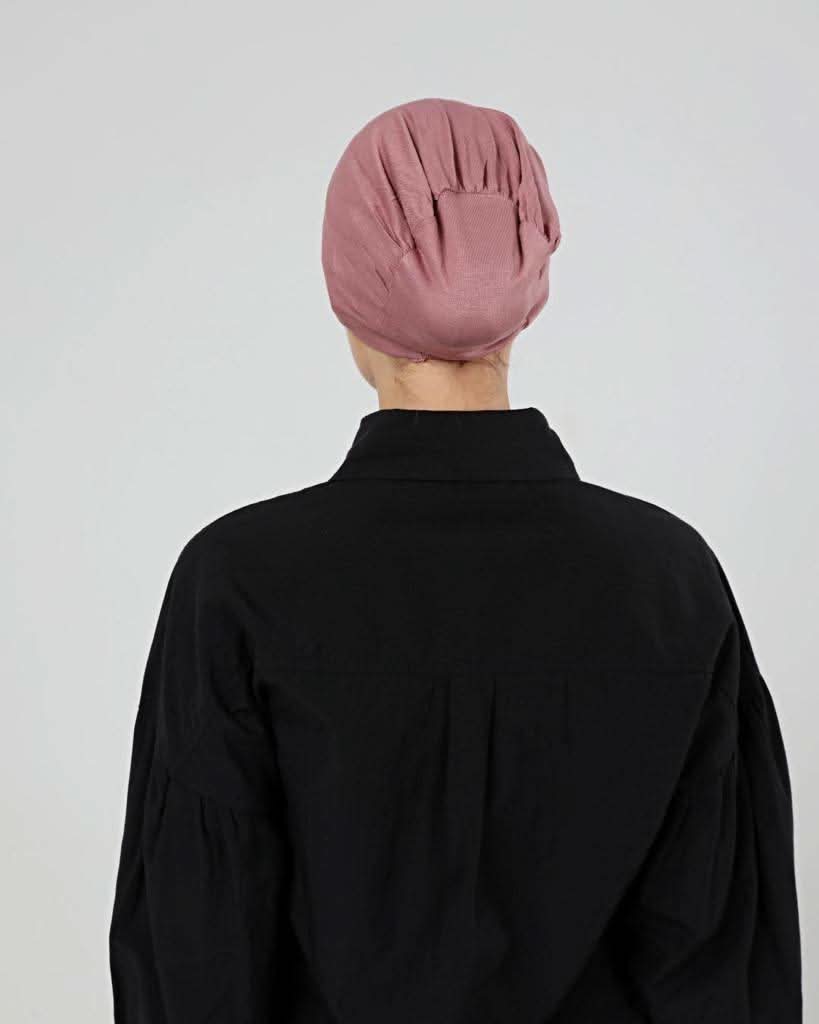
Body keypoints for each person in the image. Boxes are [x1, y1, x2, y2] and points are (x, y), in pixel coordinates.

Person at [109, 98, 802, 1022]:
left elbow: (197, 958)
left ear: (348, 296)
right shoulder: (670, 579)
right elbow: (722, 967)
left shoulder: (236, 580)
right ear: (529, 285)